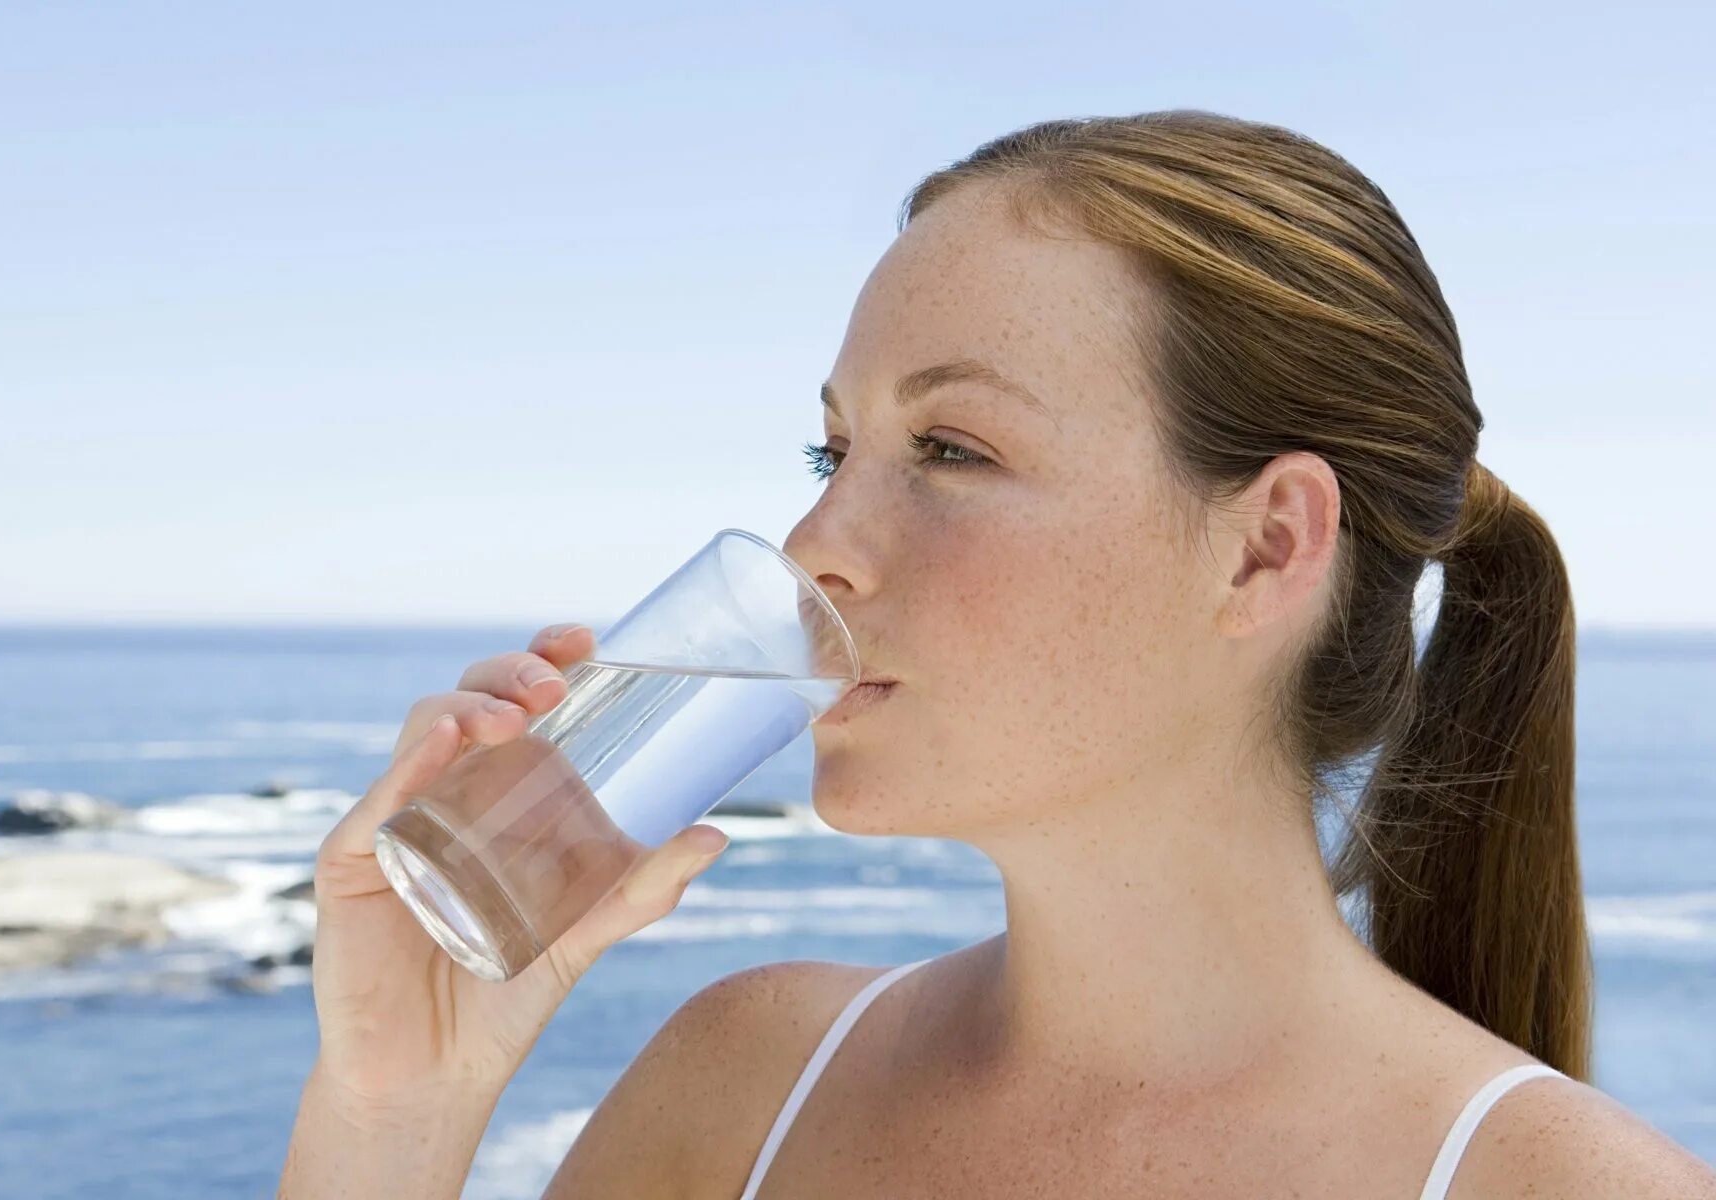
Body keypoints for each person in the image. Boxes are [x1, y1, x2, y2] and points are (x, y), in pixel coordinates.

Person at [278, 110, 1716, 1198]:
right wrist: (392, 1114)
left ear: (1269, 545)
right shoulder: (740, 1088)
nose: (813, 542)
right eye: (832, 449)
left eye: (949, 448)